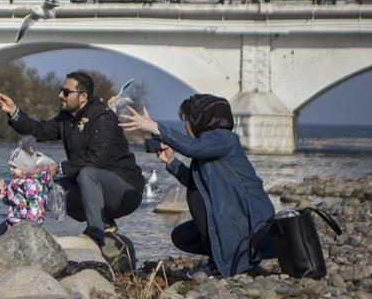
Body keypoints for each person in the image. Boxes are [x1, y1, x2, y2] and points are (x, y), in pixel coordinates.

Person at [118, 94, 275, 277]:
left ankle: (233, 263)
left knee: (200, 206)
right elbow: (195, 184)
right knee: (181, 236)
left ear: (202, 119)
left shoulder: (224, 138)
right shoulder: (210, 146)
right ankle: (221, 258)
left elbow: (192, 147)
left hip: (248, 221)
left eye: (188, 120)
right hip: (232, 217)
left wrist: (154, 127)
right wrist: (170, 161)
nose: (185, 126)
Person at [0, 71, 144, 255]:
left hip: (126, 190)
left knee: (88, 173)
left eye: (66, 92)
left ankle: (95, 234)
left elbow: (98, 159)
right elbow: (39, 131)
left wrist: (60, 167)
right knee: (47, 186)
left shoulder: (103, 117)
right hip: (95, 186)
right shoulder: (66, 118)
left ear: (83, 97)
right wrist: (14, 113)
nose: (60, 95)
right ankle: (22, 228)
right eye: (60, 90)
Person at [0, 135, 57, 240]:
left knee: (2, 237)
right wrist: (2, 191)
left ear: (26, 167)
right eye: (10, 166)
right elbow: (11, 200)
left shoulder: (33, 185)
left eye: (14, 167)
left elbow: (36, 207)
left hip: (24, 225)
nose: (11, 170)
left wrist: (28, 227)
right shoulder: (16, 182)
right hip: (14, 221)